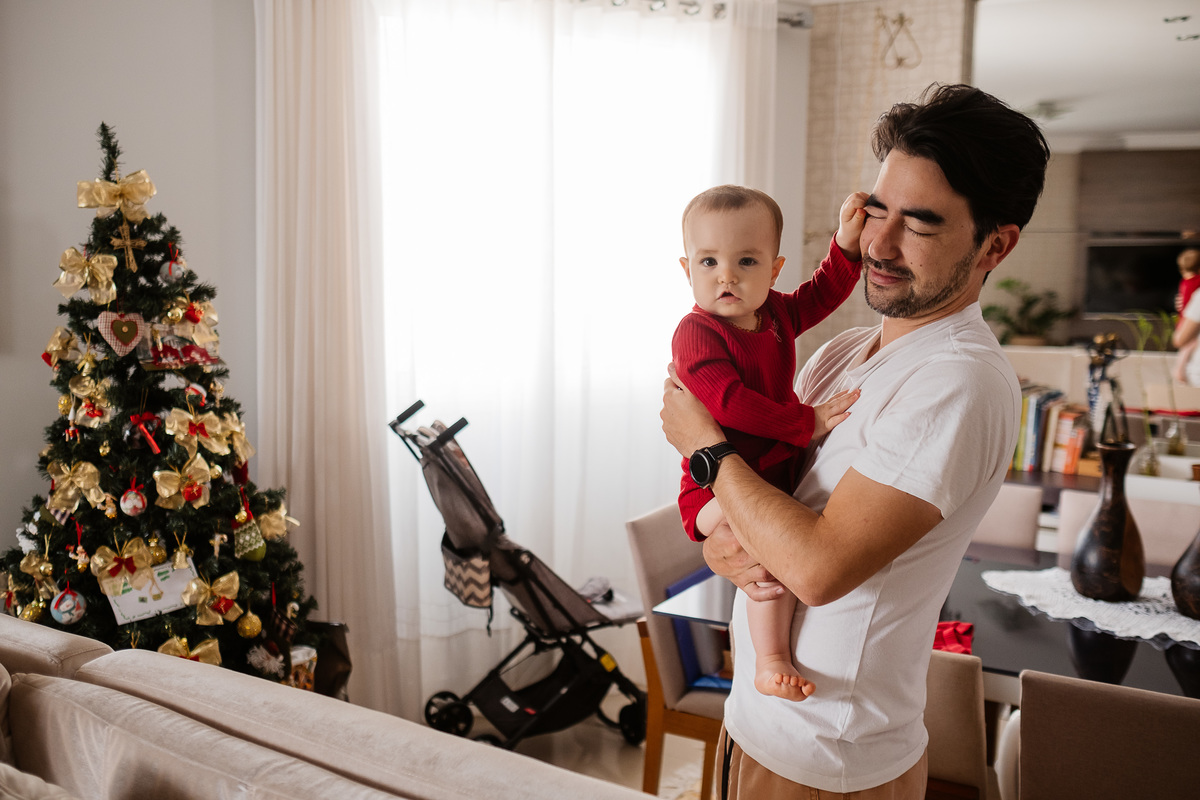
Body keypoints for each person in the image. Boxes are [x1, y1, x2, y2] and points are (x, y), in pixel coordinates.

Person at [661, 83, 1049, 798]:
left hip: (827, 758)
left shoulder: (956, 381)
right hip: (756, 721)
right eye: (876, 212)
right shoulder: (843, 353)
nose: (879, 244)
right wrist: (723, 546)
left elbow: (815, 569)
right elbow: (765, 507)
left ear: (995, 244)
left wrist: (705, 450)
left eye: (920, 224)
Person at [672, 184, 864, 702]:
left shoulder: (775, 314)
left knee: (774, 552)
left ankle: (770, 657)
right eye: (708, 261)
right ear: (687, 270)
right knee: (759, 554)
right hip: (712, 490)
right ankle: (769, 660)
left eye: (746, 261)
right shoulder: (696, 333)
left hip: (767, 478)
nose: (726, 276)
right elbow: (729, 403)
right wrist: (807, 422)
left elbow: (820, 295)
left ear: (774, 270)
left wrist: (846, 246)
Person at [1173, 246, 1200, 383]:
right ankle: (1179, 370)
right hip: (1189, 321)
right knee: (1189, 345)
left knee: (1187, 346)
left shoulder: (1185, 282)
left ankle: (1179, 370)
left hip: (1184, 320)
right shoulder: (1196, 282)